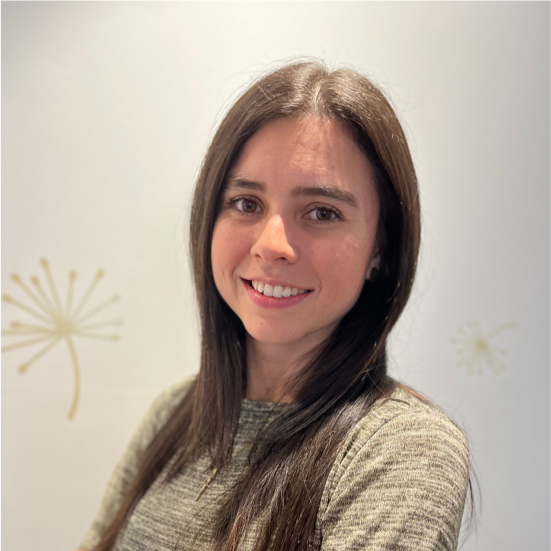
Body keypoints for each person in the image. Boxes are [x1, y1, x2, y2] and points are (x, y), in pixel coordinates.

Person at [79, 60, 471, 551]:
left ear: (381, 248)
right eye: (247, 203)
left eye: (322, 212)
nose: (272, 245)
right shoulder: (175, 413)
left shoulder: (402, 451)